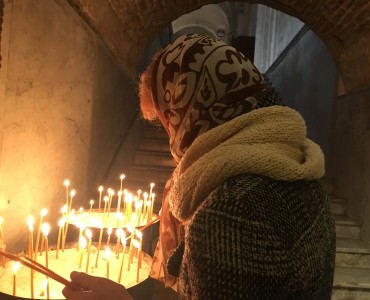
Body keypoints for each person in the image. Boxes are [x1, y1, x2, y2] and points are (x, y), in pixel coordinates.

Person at [63, 33, 336, 300]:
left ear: (188, 111)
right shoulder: (302, 174)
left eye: (167, 120)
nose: (171, 136)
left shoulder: (230, 211)